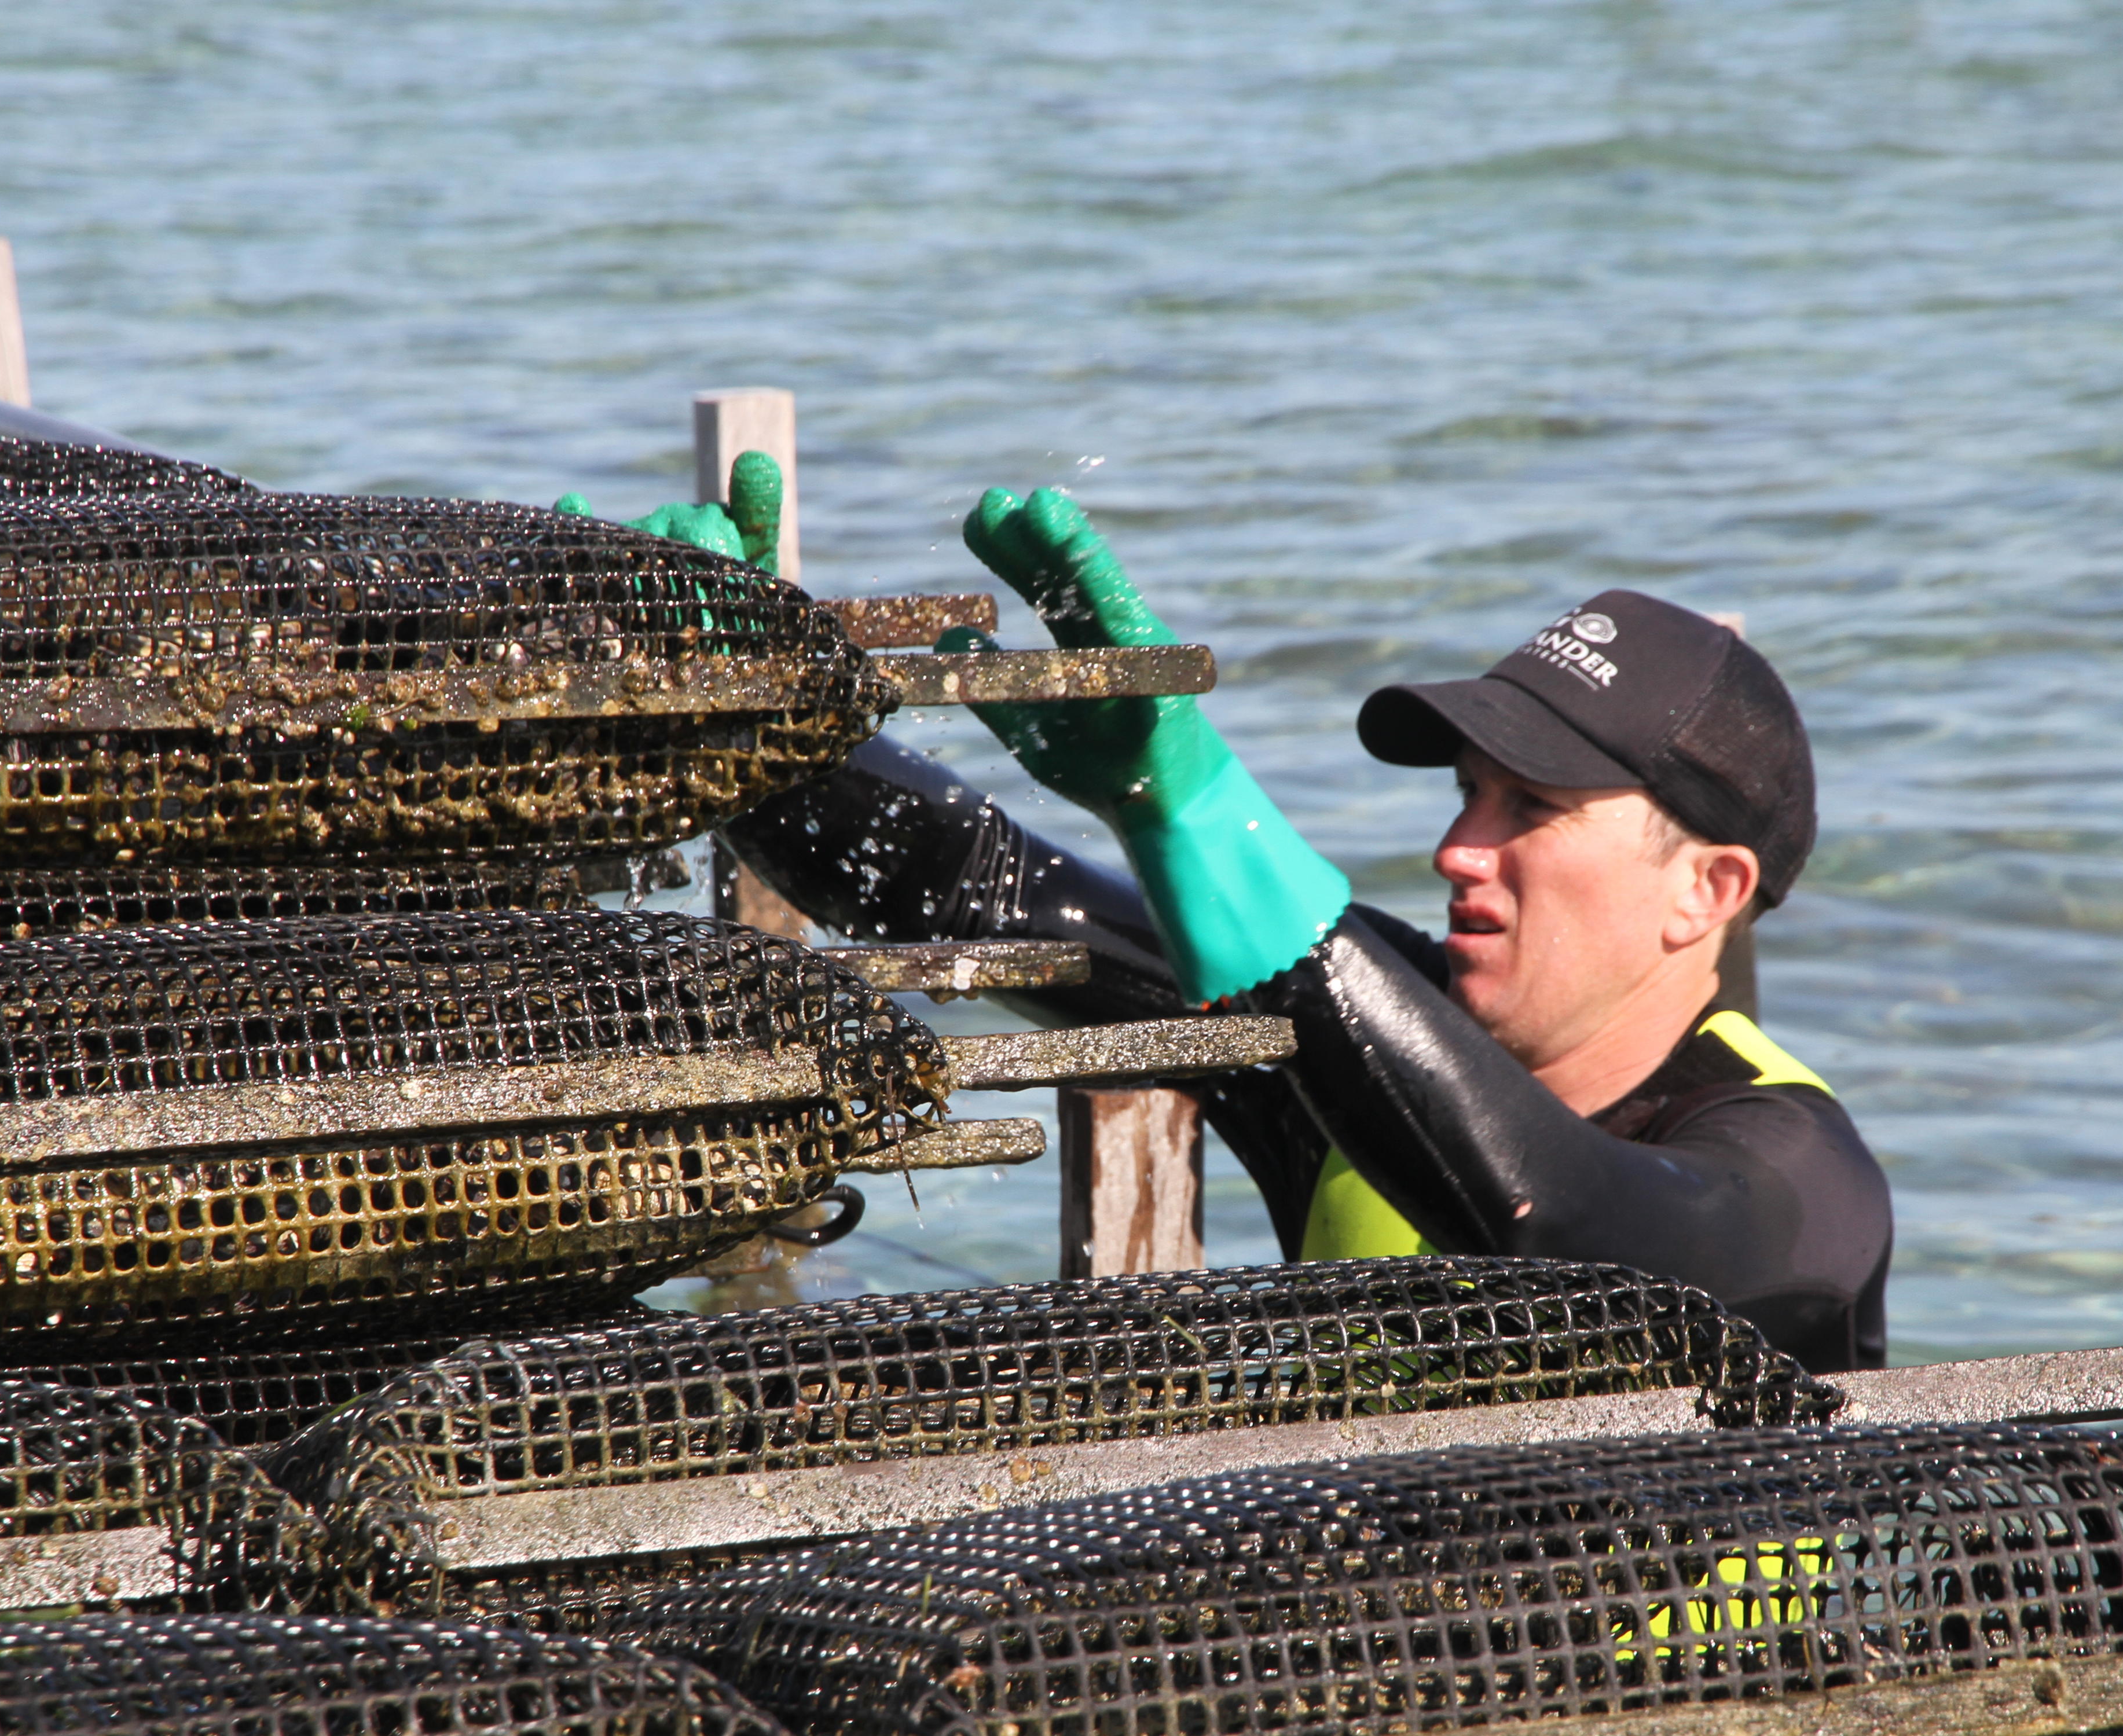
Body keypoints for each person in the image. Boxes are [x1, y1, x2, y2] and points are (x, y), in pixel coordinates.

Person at [579, 469, 1892, 1371]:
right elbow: (974, 895)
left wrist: (1197, 801)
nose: (1456, 849)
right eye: (1464, 795)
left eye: (1530, 810)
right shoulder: (1342, 1039)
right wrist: (740, 725)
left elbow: (1575, 1231)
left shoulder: (1799, 1176)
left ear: (1705, 892)